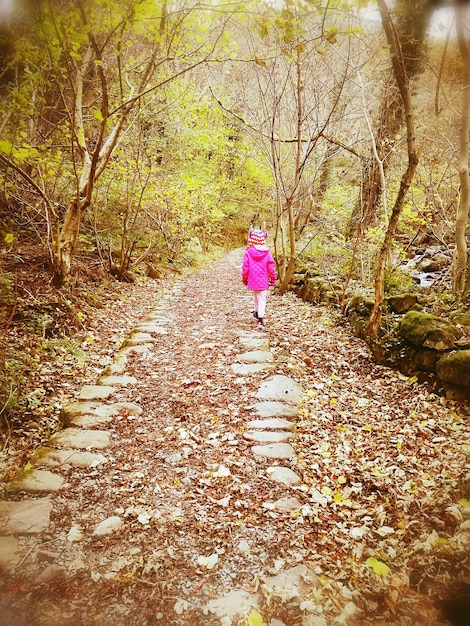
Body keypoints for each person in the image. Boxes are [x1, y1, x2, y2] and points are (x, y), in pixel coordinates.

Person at [242, 229, 277, 329]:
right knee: (262, 298)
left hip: (252, 280)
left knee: (255, 297)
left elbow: (245, 267)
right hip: (263, 280)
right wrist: (273, 278)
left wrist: (244, 279)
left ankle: (257, 312)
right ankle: (260, 320)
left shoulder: (248, 252)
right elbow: (271, 267)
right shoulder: (267, 253)